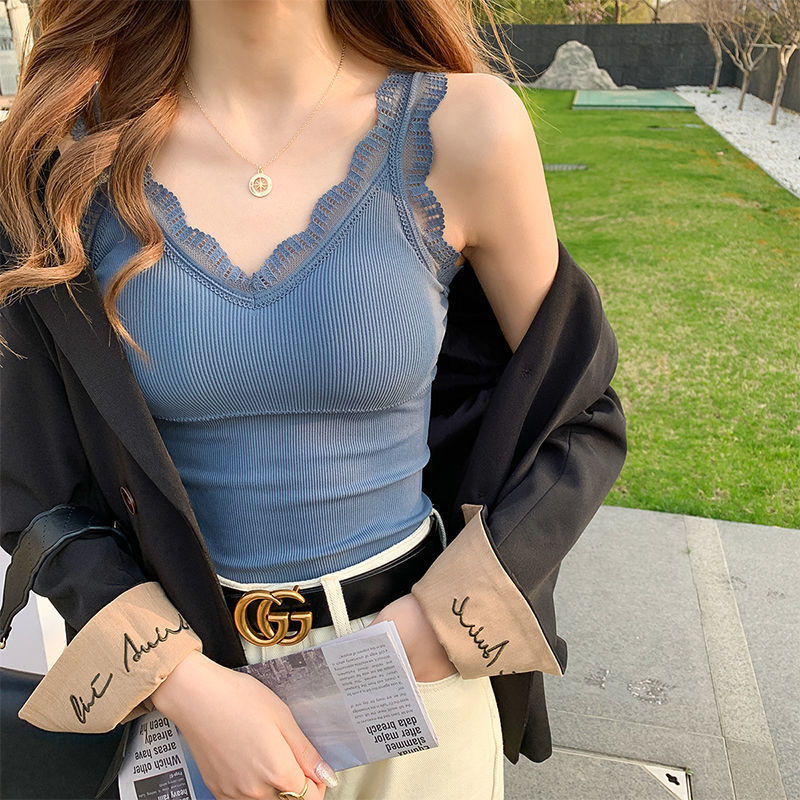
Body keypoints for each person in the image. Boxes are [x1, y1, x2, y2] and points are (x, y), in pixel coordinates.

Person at [0, 1, 627, 799]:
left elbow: (577, 414)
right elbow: (29, 479)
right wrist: (182, 683)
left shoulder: (467, 129)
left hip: (414, 686)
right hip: (190, 698)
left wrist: (438, 625)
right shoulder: (59, 163)